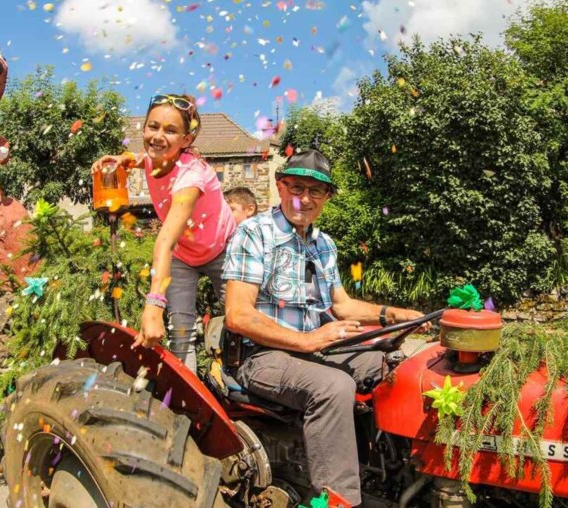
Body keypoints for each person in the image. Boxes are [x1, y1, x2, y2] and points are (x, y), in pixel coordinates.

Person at [222, 149, 430, 506]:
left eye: (315, 191)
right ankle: (337, 501)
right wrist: (306, 341)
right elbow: (238, 315)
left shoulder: (323, 244)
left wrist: (396, 315)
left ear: (327, 197)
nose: (304, 199)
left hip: (315, 351)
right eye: (296, 187)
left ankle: (398, 478)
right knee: (334, 386)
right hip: (261, 357)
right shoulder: (254, 234)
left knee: (399, 368)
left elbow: (341, 305)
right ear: (280, 186)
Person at [92, 93, 236, 371]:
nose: (158, 136)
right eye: (153, 126)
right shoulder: (153, 157)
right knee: (181, 332)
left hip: (222, 249)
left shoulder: (191, 177)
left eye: (170, 131)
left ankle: (245, 377)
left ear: (186, 140)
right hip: (184, 255)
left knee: (239, 318)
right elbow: (141, 158)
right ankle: (190, 393)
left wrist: (154, 303)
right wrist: (123, 159)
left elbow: (165, 240)